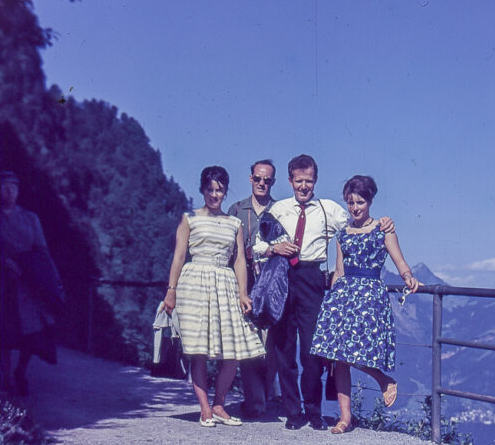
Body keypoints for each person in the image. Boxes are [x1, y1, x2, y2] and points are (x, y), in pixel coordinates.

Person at [253, 155, 395, 430]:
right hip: (283, 275)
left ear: (315, 181)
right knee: (284, 348)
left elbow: (359, 223)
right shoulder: (278, 209)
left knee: (313, 351)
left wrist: (383, 223)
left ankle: (314, 411)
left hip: (313, 279)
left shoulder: (329, 209)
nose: (303, 186)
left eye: (308, 181)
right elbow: (257, 244)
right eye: (298, 181)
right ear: (290, 180)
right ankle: (293, 413)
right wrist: (274, 249)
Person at [311, 175, 419, 434]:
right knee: (338, 356)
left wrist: (408, 277)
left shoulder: (383, 229)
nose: (355, 207)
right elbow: (339, 271)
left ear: (370, 201)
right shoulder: (342, 234)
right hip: (344, 297)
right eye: (350, 202)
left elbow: (399, 261)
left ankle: (383, 379)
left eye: (360, 202)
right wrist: (331, 299)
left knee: (355, 352)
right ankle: (345, 418)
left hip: (369, 297)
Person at [162, 166, 264, 427]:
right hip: (195, 283)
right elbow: (179, 256)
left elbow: (240, 259)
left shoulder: (234, 223)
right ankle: (204, 408)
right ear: (202, 190)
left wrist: (243, 292)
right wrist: (171, 291)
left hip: (225, 283)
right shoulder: (190, 219)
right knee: (199, 350)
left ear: (226, 191)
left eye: (219, 190)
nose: (214, 194)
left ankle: (219, 403)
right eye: (210, 189)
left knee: (233, 350)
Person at [0, 171, 64, 395]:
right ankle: (6, 378)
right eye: (4, 187)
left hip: (29, 283)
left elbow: (42, 250)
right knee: (4, 333)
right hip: (1, 283)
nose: (9, 192)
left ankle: (20, 371)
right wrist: (2, 262)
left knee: (31, 333)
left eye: (13, 188)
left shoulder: (30, 219)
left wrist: (53, 279)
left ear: (18, 191)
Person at [227, 159, 279, 419]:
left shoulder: (281, 210)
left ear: (273, 182)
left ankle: (265, 396)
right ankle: (256, 401)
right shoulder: (236, 210)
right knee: (248, 345)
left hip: (272, 289)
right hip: (245, 286)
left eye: (267, 180)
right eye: (258, 179)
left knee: (270, 346)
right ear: (250, 179)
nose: (262, 183)